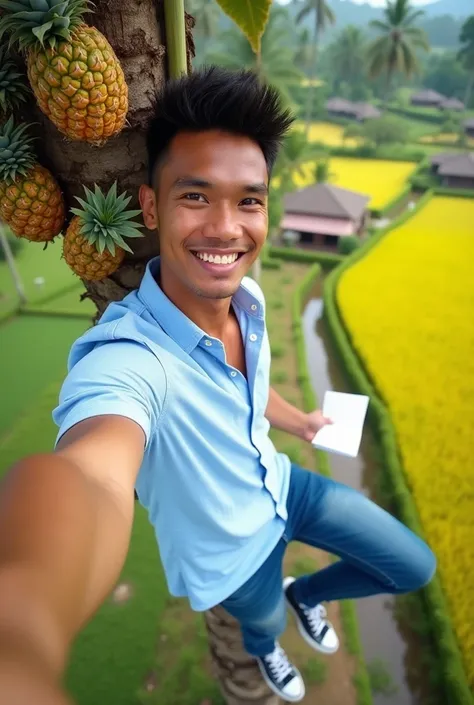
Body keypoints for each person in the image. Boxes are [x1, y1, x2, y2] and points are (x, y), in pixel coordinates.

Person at [0, 67, 436, 705]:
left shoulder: (250, 301)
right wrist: (27, 616)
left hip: (283, 486)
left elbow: (249, 389)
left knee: (410, 564)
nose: (227, 228)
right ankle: (267, 652)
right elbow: (95, 475)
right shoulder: (128, 357)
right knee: (259, 628)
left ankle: (306, 595)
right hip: (232, 556)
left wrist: (301, 423)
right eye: (196, 196)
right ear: (151, 205)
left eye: (249, 200)